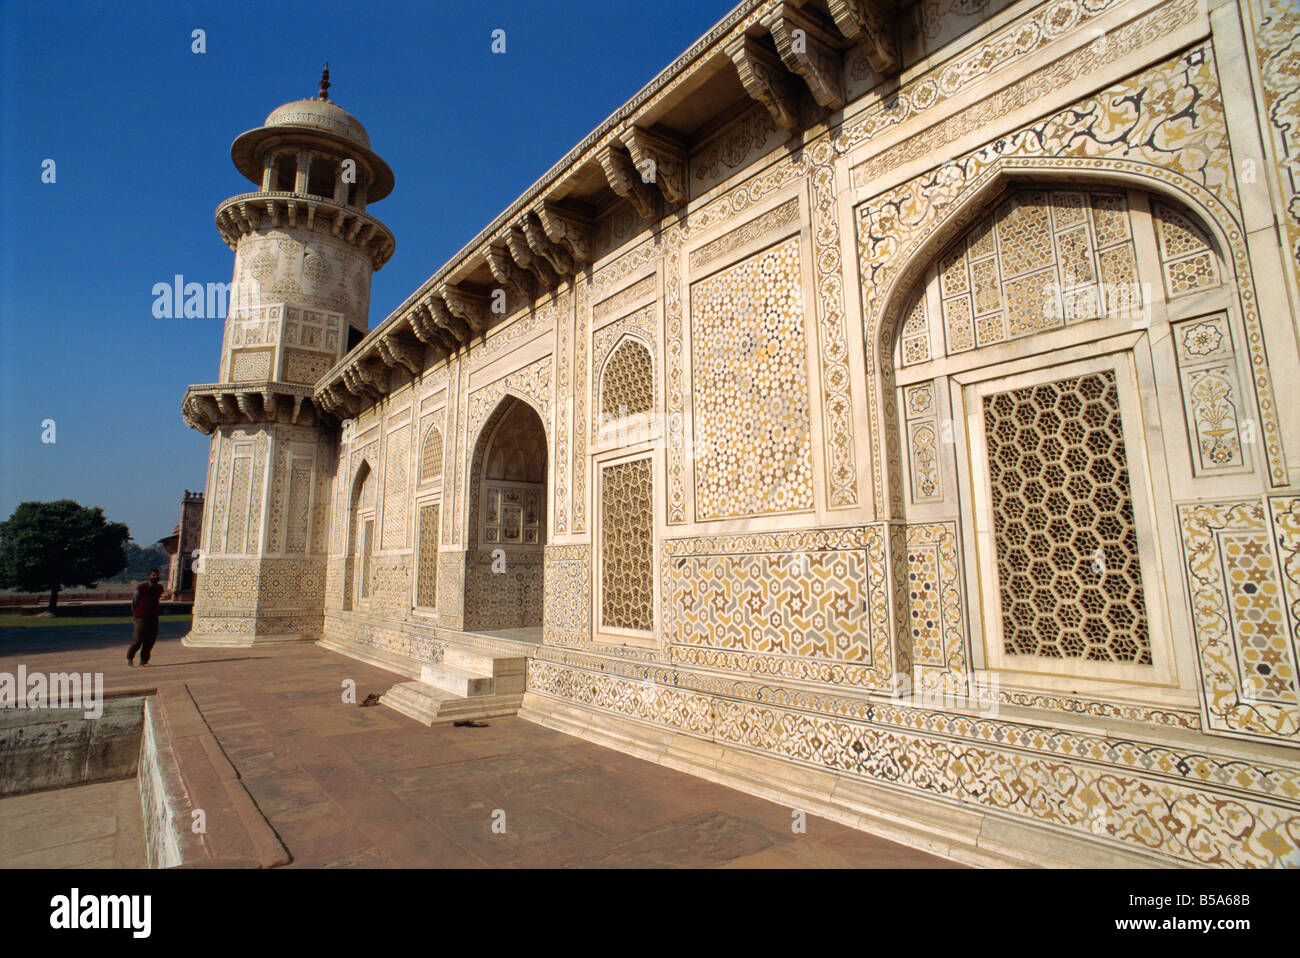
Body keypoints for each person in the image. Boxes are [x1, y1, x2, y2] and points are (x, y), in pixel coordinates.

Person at [127, 568, 164, 667]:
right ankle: (130, 657)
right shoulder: (142, 587)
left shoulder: (159, 588)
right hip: (141, 616)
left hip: (153, 616)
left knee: (151, 639)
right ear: (149, 576)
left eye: (157, 575)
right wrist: (135, 613)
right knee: (138, 639)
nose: (155, 577)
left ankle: (144, 660)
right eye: (153, 575)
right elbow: (135, 600)